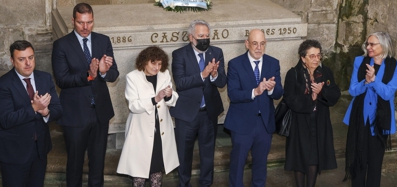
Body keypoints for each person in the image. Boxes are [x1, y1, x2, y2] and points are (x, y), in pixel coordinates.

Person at [52, 3, 119, 187]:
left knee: (98, 163)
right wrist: (89, 75)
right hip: (74, 114)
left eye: (89, 22)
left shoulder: (103, 41)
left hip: (100, 113)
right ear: (73, 21)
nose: (85, 27)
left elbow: (114, 74)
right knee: (75, 163)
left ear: (93, 21)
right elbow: (62, 80)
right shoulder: (61, 45)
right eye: (81, 23)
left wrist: (104, 72)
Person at [170, 20, 227, 187]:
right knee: (184, 155)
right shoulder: (179, 54)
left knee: (208, 155)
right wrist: (203, 75)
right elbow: (180, 82)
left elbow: (222, 82)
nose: (205, 39)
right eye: (201, 36)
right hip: (186, 115)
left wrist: (215, 74)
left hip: (208, 113)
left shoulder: (216, 52)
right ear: (191, 37)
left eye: (207, 36)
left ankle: (206, 184)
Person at [224, 29, 283, 187]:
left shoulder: (273, 63)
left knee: (261, 165)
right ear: (247, 44)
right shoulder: (235, 64)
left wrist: (271, 88)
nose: (259, 48)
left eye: (262, 43)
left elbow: (278, 93)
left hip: (264, 124)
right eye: (255, 43)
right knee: (237, 166)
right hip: (241, 123)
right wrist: (255, 91)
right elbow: (233, 94)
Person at [0, 40, 62, 187]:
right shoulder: (3, 84)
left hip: (40, 150)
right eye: (21, 59)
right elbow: (6, 120)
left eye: (31, 57)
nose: (28, 63)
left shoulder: (45, 78)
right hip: (14, 154)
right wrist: (34, 107)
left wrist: (46, 112)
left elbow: (58, 110)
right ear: (12, 61)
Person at [117, 46, 179, 186]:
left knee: (157, 166)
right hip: (140, 130)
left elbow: (173, 98)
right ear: (144, 61)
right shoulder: (133, 77)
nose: (157, 67)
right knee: (139, 169)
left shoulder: (165, 74)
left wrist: (169, 96)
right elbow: (133, 106)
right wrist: (154, 99)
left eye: (159, 64)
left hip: (161, 129)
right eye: (153, 63)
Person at [343, 32, 397, 187]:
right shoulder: (359, 61)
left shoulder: (395, 66)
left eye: (372, 44)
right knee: (358, 160)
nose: (368, 47)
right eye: (367, 44)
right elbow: (353, 90)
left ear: (384, 45)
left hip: (380, 120)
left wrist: (374, 81)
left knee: (375, 163)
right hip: (360, 117)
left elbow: (388, 93)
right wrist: (366, 82)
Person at [283, 39, 341, 187]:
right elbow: (290, 99)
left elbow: (335, 95)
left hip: (319, 121)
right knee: (299, 157)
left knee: (314, 157)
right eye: (312, 56)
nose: (316, 59)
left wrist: (322, 92)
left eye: (318, 55)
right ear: (303, 58)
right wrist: (311, 98)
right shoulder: (293, 74)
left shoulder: (325, 72)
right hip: (299, 123)